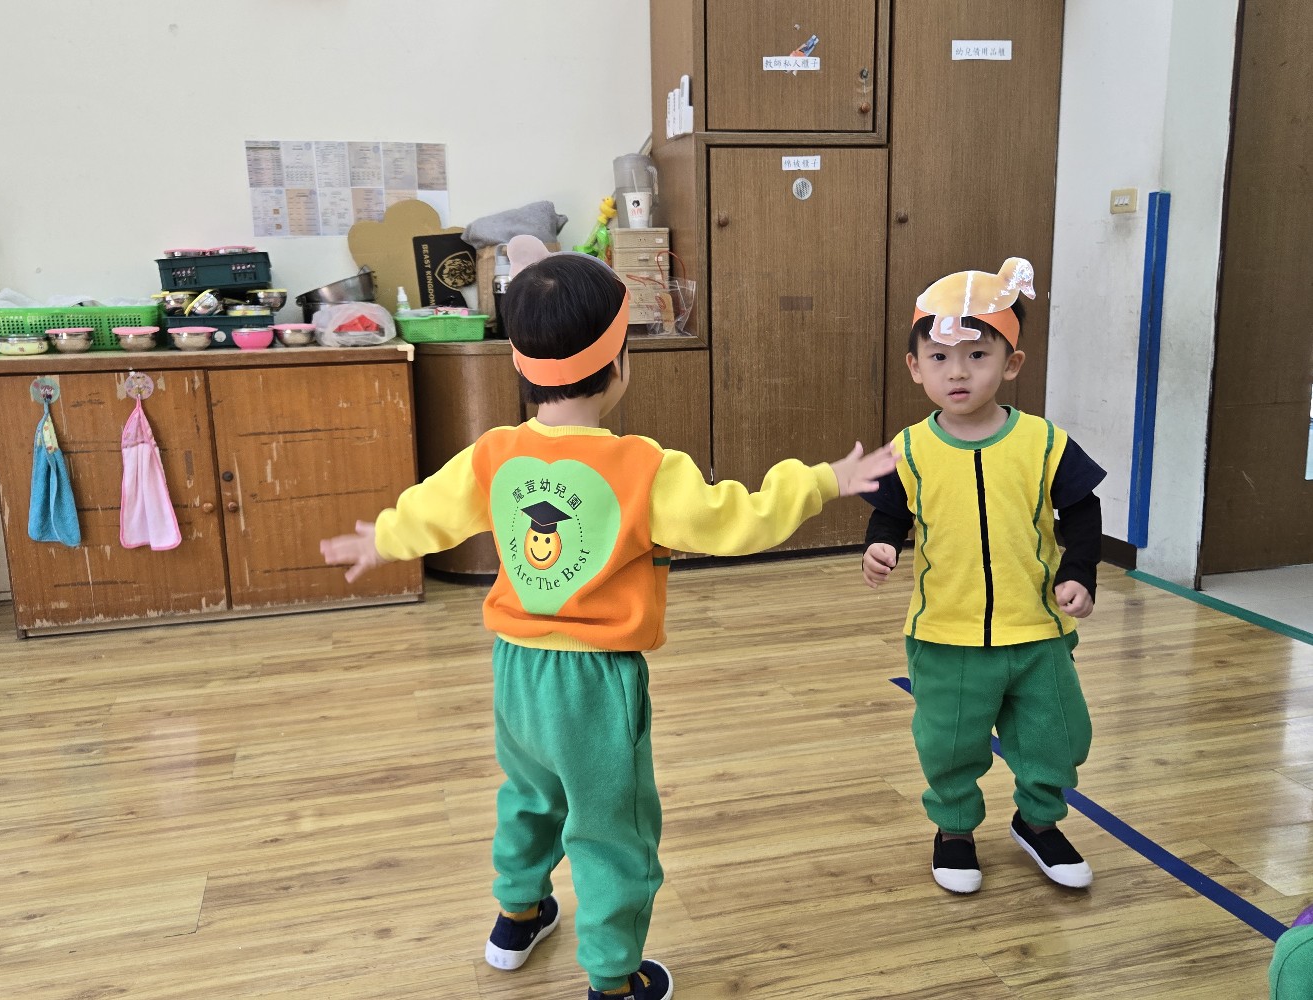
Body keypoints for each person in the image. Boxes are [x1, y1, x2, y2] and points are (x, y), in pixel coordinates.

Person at [321, 235, 898, 999]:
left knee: (529, 796)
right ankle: (613, 978)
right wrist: (823, 480)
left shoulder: (494, 453)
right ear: (620, 361)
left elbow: (430, 511)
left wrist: (384, 538)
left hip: (516, 672)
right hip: (595, 684)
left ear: (520, 364)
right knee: (610, 829)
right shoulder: (644, 469)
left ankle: (516, 915)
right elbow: (740, 521)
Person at [859, 257, 1105, 895]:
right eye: (939, 358)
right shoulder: (909, 449)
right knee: (949, 743)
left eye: (977, 355)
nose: (958, 372)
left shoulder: (1044, 442)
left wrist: (1079, 571)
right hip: (947, 634)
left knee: (1057, 735)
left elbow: (1083, 510)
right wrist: (880, 546)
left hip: (1037, 631)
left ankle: (1038, 821)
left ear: (1011, 363)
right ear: (915, 367)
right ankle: (954, 831)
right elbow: (890, 513)